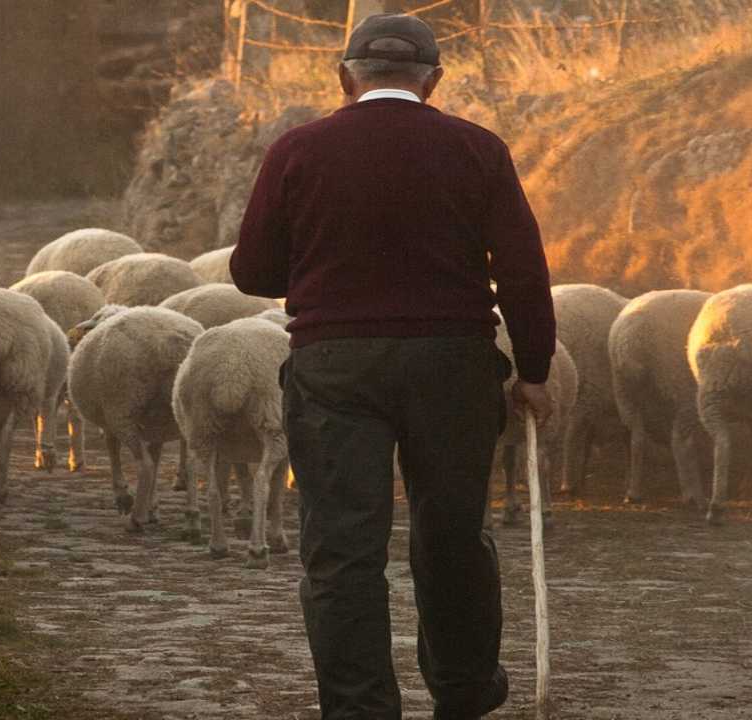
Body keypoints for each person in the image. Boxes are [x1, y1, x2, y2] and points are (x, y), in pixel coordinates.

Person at [229, 13, 557, 720]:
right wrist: (532, 367)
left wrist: (325, 265)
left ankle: (360, 708)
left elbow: (252, 271)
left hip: (334, 365)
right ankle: (464, 692)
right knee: (451, 534)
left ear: (345, 76)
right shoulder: (477, 149)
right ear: (433, 81)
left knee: (343, 547)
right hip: (452, 364)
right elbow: (525, 271)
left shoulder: (298, 150)